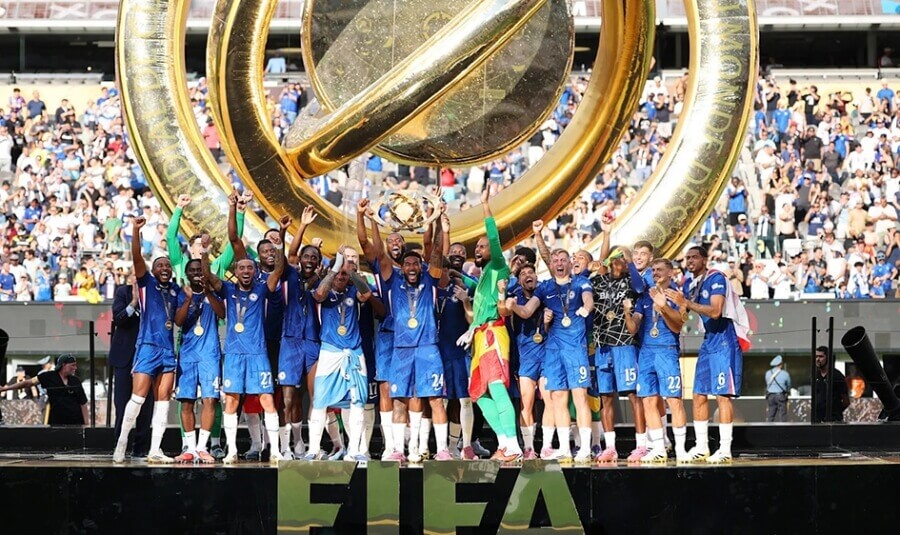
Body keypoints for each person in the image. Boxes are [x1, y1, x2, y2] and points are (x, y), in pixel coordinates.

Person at [202, 229, 284, 464]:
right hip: (234, 354)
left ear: (255, 271)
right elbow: (207, 275)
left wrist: (279, 247)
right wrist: (205, 251)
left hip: (258, 353)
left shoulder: (261, 289)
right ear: (236, 272)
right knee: (231, 400)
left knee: (267, 400)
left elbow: (278, 270)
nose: (246, 271)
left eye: (250, 268)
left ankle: (275, 451)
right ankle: (232, 451)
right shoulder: (227, 290)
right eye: (242, 268)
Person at [509, 243, 594, 463]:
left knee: (580, 396)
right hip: (553, 350)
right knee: (557, 398)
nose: (559, 263)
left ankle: (585, 448)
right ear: (552, 265)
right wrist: (513, 307)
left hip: (575, 348)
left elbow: (589, 299)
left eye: (563, 260)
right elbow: (526, 311)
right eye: (555, 261)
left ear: (569, 263)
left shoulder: (580, 282)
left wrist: (586, 308)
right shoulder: (545, 288)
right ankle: (564, 448)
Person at [377, 210, 451, 462]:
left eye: (416, 263)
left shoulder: (430, 280)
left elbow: (437, 252)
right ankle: (399, 450)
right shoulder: (393, 281)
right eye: (407, 263)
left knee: (435, 399)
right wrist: (371, 219)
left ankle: (442, 450)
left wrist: (437, 220)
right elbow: (379, 254)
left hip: (428, 347)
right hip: (401, 349)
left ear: (422, 266)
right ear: (402, 267)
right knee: (400, 400)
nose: (411, 267)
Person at [458, 189, 522, 462]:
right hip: (479, 337)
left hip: (493, 333)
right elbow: (476, 291)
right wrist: (456, 275)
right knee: (479, 394)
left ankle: (514, 446)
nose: (478, 249)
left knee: (496, 387)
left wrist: (485, 206)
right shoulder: (485, 276)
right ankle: (504, 443)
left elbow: (494, 238)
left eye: (482, 247)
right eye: (477, 247)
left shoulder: (498, 267)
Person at [303, 249, 384, 461]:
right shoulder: (324, 290)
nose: (341, 276)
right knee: (320, 400)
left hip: (354, 353)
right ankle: (313, 449)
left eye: (343, 274)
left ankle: (355, 450)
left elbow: (366, 294)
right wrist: (336, 267)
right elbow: (318, 295)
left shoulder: (353, 291)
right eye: (338, 273)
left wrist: (352, 271)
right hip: (330, 352)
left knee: (358, 402)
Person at [113, 216, 182, 464]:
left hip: (167, 350)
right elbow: (136, 257)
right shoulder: (146, 283)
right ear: (152, 271)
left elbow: (181, 318)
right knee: (138, 398)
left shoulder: (175, 290)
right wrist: (135, 231)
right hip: (147, 347)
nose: (165, 268)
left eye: (168, 266)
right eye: (160, 265)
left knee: (163, 401)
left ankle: (155, 449)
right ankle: (121, 445)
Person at [675, 246, 744, 464]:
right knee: (698, 394)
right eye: (687, 258)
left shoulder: (716, 277)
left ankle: (725, 449)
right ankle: (702, 446)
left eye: (694, 257)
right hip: (708, 341)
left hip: (724, 340)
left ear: (705, 260)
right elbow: (683, 314)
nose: (690, 261)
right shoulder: (690, 283)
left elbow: (715, 311)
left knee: (722, 395)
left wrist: (687, 304)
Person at [624, 259, 688, 463]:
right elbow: (633, 328)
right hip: (646, 353)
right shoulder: (645, 295)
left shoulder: (677, 295)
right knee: (648, 401)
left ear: (671, 273)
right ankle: (659, 448)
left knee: (674, 400)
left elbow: (678, 326)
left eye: (660, 270)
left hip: (666, 351)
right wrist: (627, 313)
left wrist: (664, 307)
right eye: (653, 270)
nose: (655, 273)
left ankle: (680, 450)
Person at [172, 257, 226, 463]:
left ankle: (203, 447)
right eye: (192, 270)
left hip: (209, 354)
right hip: (187, 354)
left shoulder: (214, 293)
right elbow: (179, 321)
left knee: (210, 399)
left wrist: (208, 292)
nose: (196, 273)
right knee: (186, 401)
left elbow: (222, 313)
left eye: (200, 270)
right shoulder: (181, 294)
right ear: (187, 274)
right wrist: (188, 300)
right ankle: (190, 448)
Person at [109, 275, 152, 457]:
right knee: (122, 403)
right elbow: (118, 319)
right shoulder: (123, 293)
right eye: (134, 276)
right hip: (124, 357)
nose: (138, 279)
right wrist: (134, 302)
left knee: (146, 406)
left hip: (147, 357)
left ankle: (140, 448)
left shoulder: (153, 293)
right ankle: (120, 444)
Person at [0, 354, 88, 425]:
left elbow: (83, 403)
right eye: (72, 365)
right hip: (57, 421)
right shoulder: (48, 376)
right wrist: (5, 388)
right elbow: (28, 383)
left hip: (75, 422)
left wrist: (86, 424)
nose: (75, 368)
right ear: (64, 365)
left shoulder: (75, 381)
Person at [813, 347, 850, 423]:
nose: (818, 359)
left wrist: (835, 411)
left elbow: (846, 401)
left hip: (834, 420)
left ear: (828, 358)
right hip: (818, 420)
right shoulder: (815, 375)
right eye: (816, 356)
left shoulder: (837, 375)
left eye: (821, 356)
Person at [765, 355, 791, 422]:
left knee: (770, 414)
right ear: (780, 364)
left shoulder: (768, 373)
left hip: (770, 396)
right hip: (780, 395)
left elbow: (767, 383)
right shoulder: (785, 374)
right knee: (783, 415)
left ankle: (768, 426)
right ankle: (783, 428)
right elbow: (788, 385)